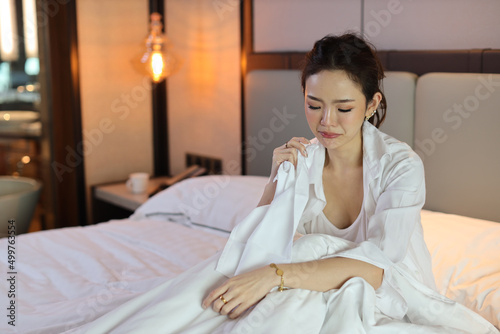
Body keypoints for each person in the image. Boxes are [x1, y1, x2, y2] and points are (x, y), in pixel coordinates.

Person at [81, 33, 497, 333]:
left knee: (303, 256)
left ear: (372, 105)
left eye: (343, 108)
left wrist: (275, 276)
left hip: (385, 287)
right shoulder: (303, 157)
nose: (325, 122)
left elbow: (379, 263)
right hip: (303, 273)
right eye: (313, 105)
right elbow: (258, 244)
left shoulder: (401, 166)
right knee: (207, 289)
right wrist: (274, 185)